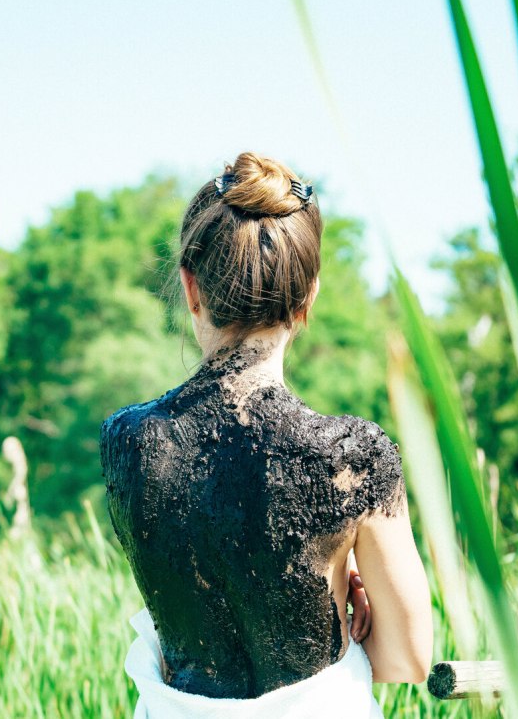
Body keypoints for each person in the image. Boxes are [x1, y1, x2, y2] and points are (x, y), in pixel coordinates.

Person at [100, 152, 433, 718]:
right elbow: (407, 660)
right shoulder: (353, 458)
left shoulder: (126, 442)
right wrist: (347, 582)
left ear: (191, 288)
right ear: (308, 297)